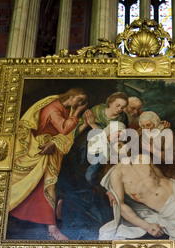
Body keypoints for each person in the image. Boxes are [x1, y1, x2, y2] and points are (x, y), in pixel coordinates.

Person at [8, 88, 88, 240]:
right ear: (70, 96)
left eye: (82, 102)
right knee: (44, 188)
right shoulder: (54, 109)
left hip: (50, 152)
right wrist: (77, 113)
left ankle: (53, 225)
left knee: (47, 187)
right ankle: (52, 228)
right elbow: (64, 130)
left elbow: (68, 134)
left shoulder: (63, 107)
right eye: (79, 100)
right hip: (39, 152)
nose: (80, 104)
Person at [55, 92, 130, 239]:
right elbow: (88, 132)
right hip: (89, 144)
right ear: (110, 103)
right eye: (117, 105)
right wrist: (90, 126)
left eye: (123, 107)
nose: (119, 109)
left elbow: (119, 138)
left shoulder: (122, 119)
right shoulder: (96, 111)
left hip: (103, 146)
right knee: (82, 177)